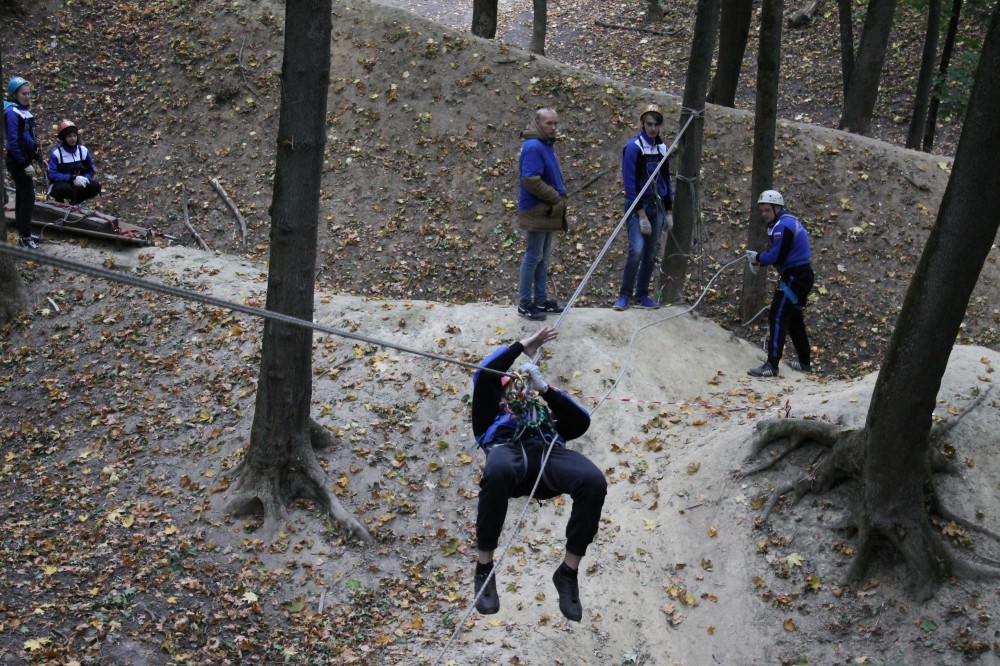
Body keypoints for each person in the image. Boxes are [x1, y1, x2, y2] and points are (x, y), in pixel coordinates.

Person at [470, 326, 607, 622]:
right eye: (510, 383)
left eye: (523, 384)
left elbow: (581, 423)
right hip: (509, 452)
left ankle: (568, 572)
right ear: (499, 393)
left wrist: (547, 391)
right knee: (498, 467)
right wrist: (521, 346)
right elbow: (485, 373)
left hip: (547, 455)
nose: (518, 386)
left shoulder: (545, 418)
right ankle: (484, 569)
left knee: (593, 480)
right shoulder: (489, 417)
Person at [746, 190, 814, 377]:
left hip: (795, 278)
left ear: (778, 208)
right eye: (762, 211)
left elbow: (776, 255)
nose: (764, 214)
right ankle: (804, 362)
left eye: (767, 210)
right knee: (793, 320)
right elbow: (779, 254)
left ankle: (772, 365)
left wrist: (758, 258)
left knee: (777, 317)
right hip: (799, 276)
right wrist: (760, 259)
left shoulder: (782, 226)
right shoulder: (784, 223)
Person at [614, 103, 674, 311]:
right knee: (637, 250)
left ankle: (642, 295)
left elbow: (666, 178)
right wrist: (640, 214)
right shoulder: (634, 147)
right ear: (642, 123)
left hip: (656, 206)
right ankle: (624, 295)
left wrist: (668, 210)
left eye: (656, 124)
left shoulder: (661, 148)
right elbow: (630, 183)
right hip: (637, 207)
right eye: (649, 124)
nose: (653, 128)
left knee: (651, 253)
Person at [516, 108, 568, 321]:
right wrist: (555, 197)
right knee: (533, 256)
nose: (554, 127)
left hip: (547, 210)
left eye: (556, 123)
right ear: (537, 123)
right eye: (549, 123)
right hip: (537, 209)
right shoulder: (533, 146)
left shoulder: (545, 144)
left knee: (543, 257)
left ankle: (540, 299)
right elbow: (530, 179)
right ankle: (525, 303)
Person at [4, 76, 40, 249]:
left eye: (28, 93)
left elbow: (30, 136)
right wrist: (25, 163)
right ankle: (25, 237)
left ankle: (23, 232)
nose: (27, 96)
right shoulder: (13, 112)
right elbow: (14, 140)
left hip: (25, 157)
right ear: (14, 94)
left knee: (21, 195)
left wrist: (37, 157)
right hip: (17, 160)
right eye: (23, 94)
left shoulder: (23, 110)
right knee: (28, 197)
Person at [47, 119, 101, 205]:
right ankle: (60, 203)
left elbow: (91, 170)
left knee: (95, 186)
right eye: (69, 136)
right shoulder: (57, 153)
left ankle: (76, 202)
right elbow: (52, 174)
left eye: (74, 135)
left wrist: (85, 178)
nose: (73, 139)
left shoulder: (83, 151)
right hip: (62, 183)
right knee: (64, 189)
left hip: (80, 182)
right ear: (64, 138)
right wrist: (72, 178)